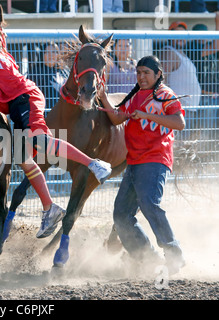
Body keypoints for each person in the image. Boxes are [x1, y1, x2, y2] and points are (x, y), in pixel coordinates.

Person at [0, 22, 112, 239]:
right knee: (23, 158)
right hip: (19, 98)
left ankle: (94, 164)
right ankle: (49, 208)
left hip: (24, 98)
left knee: (41, 142)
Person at [99, 55, 186, 275]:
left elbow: (179, 123)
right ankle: (147, 258)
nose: (141, 76)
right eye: (138, 72)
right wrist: (102, 97)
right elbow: (118, 118)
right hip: (135, 161)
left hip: (155, 159)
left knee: (148, 203)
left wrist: (146, 114)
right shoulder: (135, 95)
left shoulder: (165, 94)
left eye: (146, 72)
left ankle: (173, 253)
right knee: (121, 215)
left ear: (158, 75)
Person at [161, 21, 201, 134]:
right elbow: (163, 80)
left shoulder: (182, 54)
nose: (180, 38)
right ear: (170, 36)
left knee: (187, 147)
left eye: (183, 35)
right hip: (178, 111)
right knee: (179, 147)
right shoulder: (169, 52)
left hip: (189, 109)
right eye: (177, 34)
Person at [186, 14, 219, 134]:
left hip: (214, 97)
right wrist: (218, 23)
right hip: (205, 98)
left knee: (213, 131)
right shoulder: (193, 48)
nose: (203, 37)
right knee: (205, 132)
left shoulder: (209, 46)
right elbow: (216, 46)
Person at [27, 41, 65, 109]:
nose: (51, 55)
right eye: (47, 52)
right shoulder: (35, 73)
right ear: (42, 55)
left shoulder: (64, 71)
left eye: (54, 52)